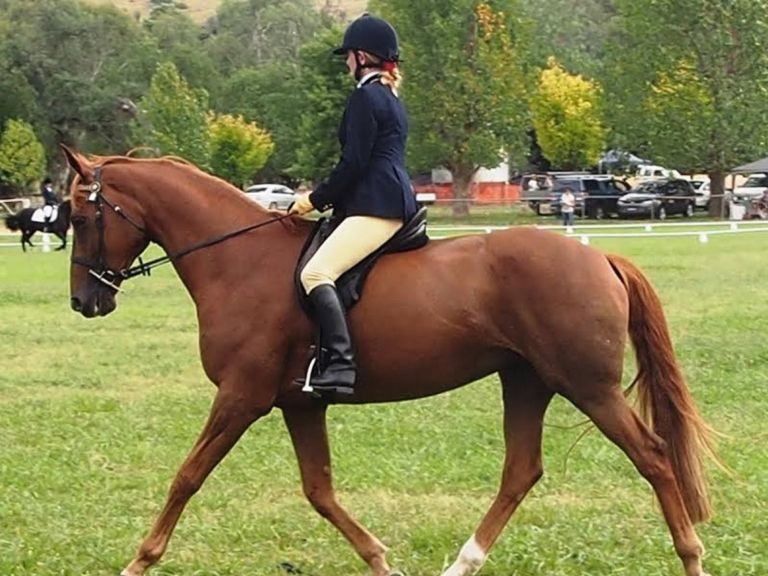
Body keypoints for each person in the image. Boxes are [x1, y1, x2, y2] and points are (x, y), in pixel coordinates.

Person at [289, 13, 418, 395]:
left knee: (315, 274)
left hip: (379, 205)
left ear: (362, 56)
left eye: (348, 55)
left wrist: (314, 199)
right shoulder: (389, 96)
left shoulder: (365, 96)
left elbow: (355, 162)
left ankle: (342, 366)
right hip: (387, 197)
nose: (346, 62)